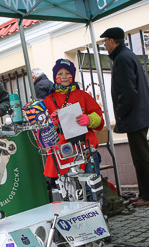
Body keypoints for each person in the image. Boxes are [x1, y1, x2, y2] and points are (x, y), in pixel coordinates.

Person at [101, 27, 149, 207]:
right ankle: (145, 193)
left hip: (135, 116)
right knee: (139, 157)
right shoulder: (126, 55)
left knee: (142, 158)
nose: (104, 45)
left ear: (112, 41)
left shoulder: (122, 59)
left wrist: (120, 114)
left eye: (105, 42)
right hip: (138, 115)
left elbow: (128, 92)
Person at [43, 59, 105, 199]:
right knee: (70, 190)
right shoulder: (48, 100)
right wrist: (53, 123)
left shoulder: (83, 95)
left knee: (93, 186)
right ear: (54, 77)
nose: (64, 76)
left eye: (67, 73)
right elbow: (45, 130)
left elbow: (99, 117)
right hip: (62, 152)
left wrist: (89, 120)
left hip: (86, 148)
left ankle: (100, 214)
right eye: (60, 73)